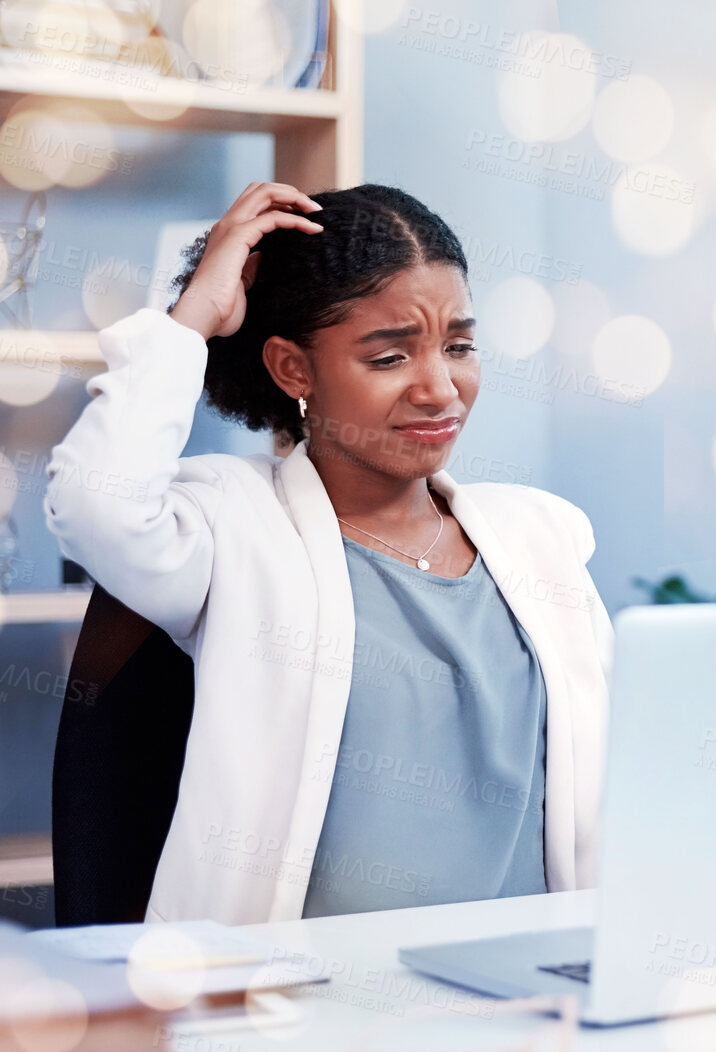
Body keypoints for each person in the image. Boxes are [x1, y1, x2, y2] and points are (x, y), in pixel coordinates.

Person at [44, 182, 612, 925]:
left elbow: (607, 796)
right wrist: (193, 320)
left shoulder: (544, 536)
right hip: (305, 1003)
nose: (440, 389)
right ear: (293, 370)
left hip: (530, 993)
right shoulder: (234, 525)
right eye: (389, 358)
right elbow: (95, 505)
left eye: (460, 346)